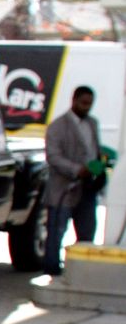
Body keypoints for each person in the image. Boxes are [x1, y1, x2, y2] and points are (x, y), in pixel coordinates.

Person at [43, 85, 102, 275]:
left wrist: (98, 168)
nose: (87, 108)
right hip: (63, 189)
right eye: (84, 103)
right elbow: (53, 157)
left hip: (86, 189)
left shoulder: (92, 123)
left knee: (87, 231)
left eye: (90, 104)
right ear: (74, 100)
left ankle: (81, 270)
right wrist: (77, 170)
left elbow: (95, 151)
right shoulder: (58, 126)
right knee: (57, 231)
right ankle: (52, 269)